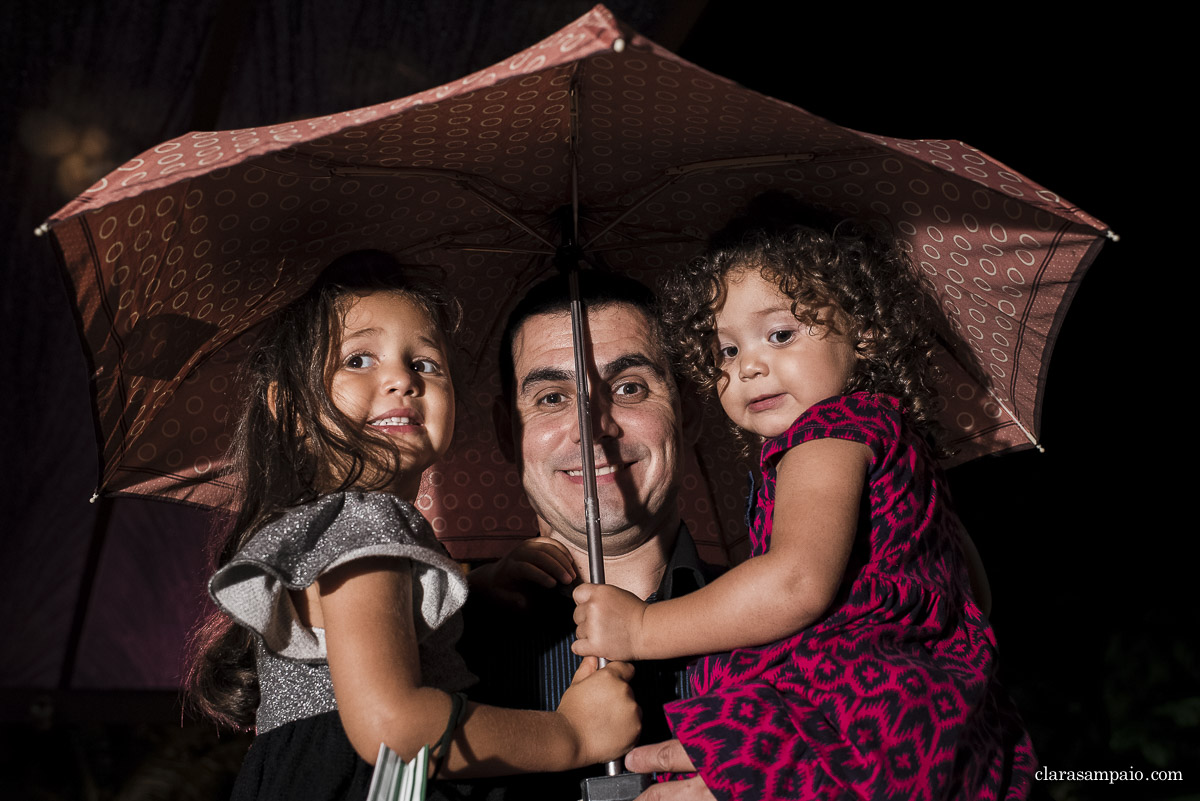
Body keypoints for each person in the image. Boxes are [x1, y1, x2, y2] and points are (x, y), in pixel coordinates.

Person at [572, 223, 1036, 800]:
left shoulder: (828, 435)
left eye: (781, 334)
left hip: (855, 719)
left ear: (862, 332)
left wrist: (640, 629)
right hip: (941, 715)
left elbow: (795, 582)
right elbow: (970, 594)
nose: (747, 367)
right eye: (727, 349)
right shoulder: (894, 439)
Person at [187, 250, 640, 800]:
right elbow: (392, 726)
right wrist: (573, 735)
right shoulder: (367, 521)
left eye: (425, 364)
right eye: (358, 360)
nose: (401, 378)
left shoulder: (324, 529)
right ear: (292, 411)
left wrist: (475, 592)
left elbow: (365, 629)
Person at [453, 272, 723, 799]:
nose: (593, 425)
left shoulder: (793, 621)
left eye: (628, 388)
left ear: (687, 412)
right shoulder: (445, 648)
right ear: (509, 432)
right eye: (553, 397)